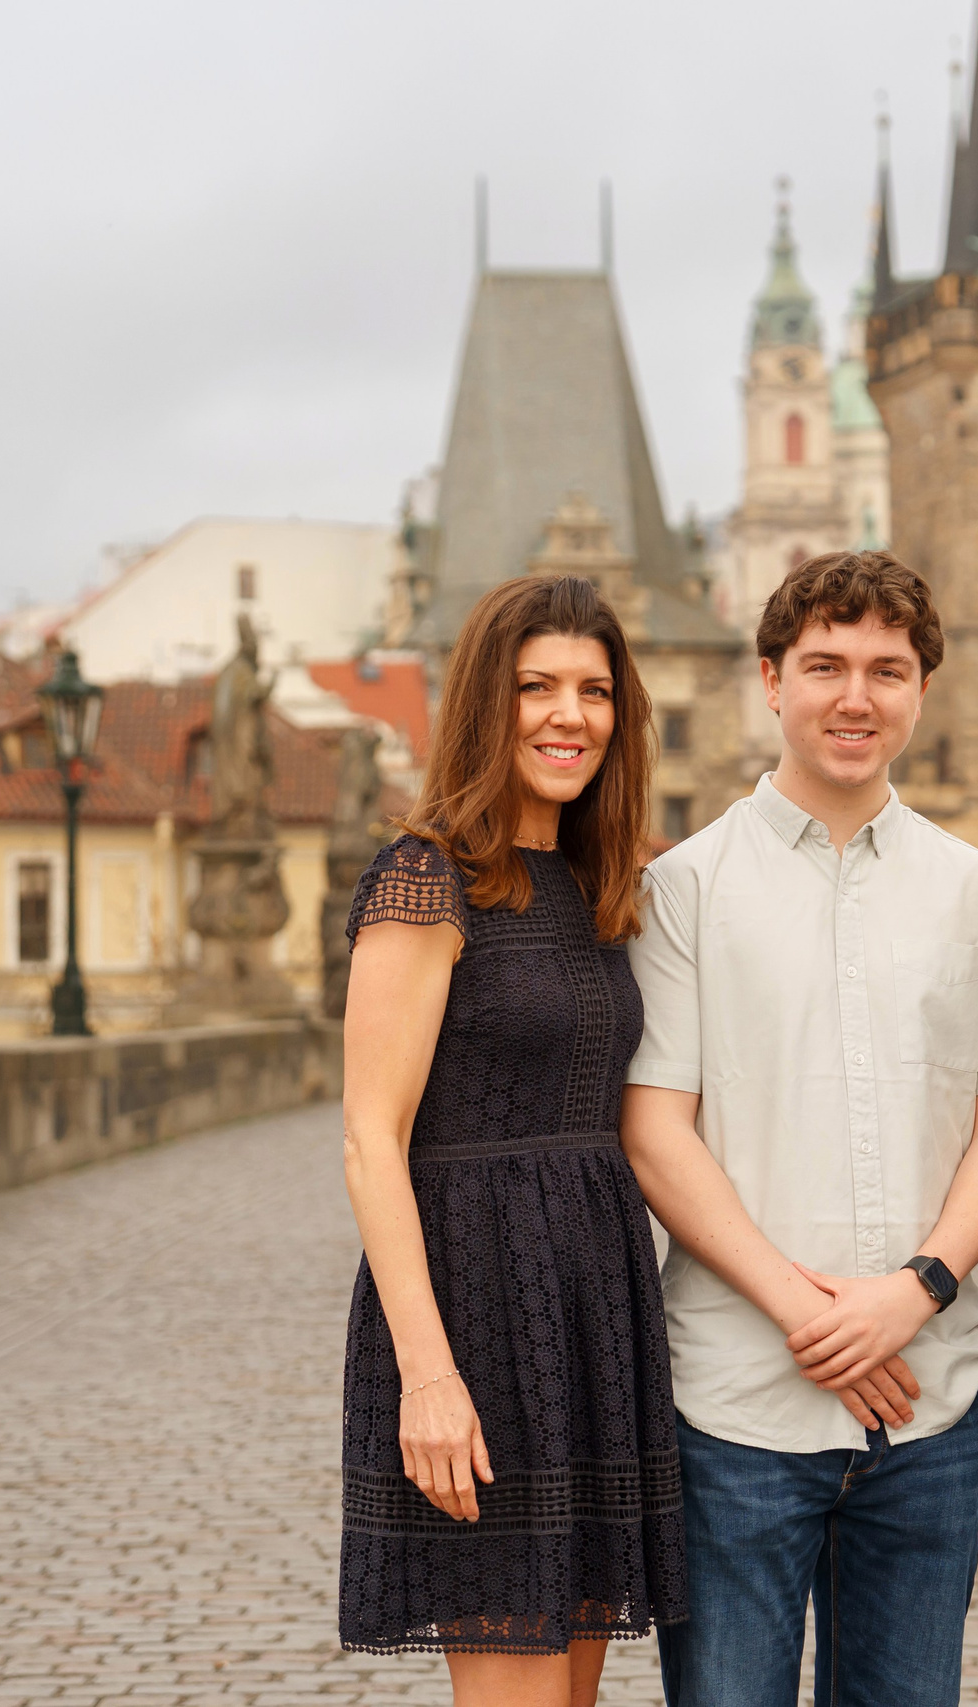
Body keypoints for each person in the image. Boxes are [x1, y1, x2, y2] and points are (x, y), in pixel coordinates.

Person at [619, 550, 978, 1707]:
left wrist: (912, 1292)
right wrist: (808, 1311)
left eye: (886, 671)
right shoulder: (685, 889)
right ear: (769, 678)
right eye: (825, 667)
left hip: (928, 1401)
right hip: (739, 1404)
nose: (856, 697)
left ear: (920, 688)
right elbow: (656, 1126)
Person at [336, 575, 685, 1707]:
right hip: (479, 1318)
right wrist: (428, 1378)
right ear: (488, 704)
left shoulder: (600, 886)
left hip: (590, 1317)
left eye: (593, 691)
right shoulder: (424, 878)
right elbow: (369, 1140)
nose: (568, 715)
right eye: (536, 687)